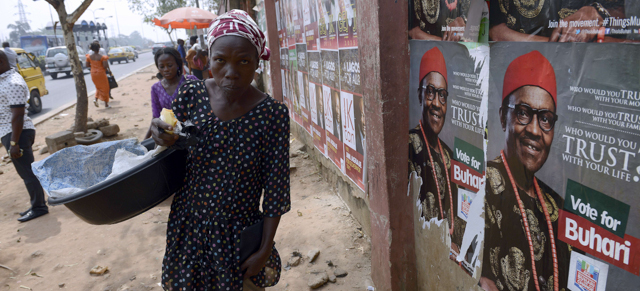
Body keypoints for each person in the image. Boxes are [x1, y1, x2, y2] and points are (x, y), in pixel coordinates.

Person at [150, 10, 290, 290]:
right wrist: (161, 134)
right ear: (208, 59)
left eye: (244, 61)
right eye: (220, 61)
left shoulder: (272, 114)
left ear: (257, 62)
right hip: (189, 226)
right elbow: (172, 144)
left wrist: (264, 250)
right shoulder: (191, 94)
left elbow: (276, 190)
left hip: (238, 234)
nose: (231, 72)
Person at [480, 51, 572, 291]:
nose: (534, 130)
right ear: (503, 117)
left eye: (545, 119)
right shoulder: (480, 184)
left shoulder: (558, 207)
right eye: (522, 113)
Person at [407, 47, 466, 258]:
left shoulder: (449, 155)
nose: (437, 104)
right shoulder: (409, 144)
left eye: (443, 95)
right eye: (431, 92)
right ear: (420, 95)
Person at [0, 50, 48, 222]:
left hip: (16, 133)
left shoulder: (12, 82)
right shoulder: (5, 80)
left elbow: (18, 115)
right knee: (26, 172)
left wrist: (14, 142)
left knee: (28, 173)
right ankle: (36, 204)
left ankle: (40, 207)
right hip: (12, 132)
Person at [490, 0, 627, 42]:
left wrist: (598, 13)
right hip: (517, 66)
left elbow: (622, 14)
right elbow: (495, 32)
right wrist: (556, 46)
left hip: (586, 70)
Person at [144, 47, 198, 139]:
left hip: (195, 133)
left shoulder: (190, 81)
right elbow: (156, 117)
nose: (166, 69)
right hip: (171, 136)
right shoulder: (156, 88)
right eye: (162, 66)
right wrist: (145, 140)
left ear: (177, 64)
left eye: (169, 65)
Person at [85, 42, 112, 108]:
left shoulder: (89, 57)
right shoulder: (102, 57)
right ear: (99, 48)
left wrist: (94, 66)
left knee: (98, 87)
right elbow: (105, 66)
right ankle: (106, 104)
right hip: (101, 73)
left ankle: (96, 99)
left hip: (93, 74)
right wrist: (108, 70)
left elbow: (87, 65)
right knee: (105, 88)